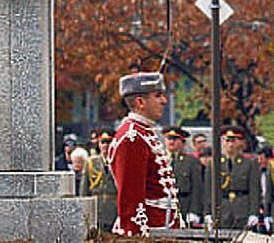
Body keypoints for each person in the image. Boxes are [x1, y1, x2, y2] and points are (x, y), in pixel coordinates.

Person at [107, 72, 181, 235]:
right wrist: (136, 236)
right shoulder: (132, 138)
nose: (164, 101)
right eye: (158, 95)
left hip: (163, 226)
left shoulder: (143, 132)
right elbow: (130, 199)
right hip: (149, 231)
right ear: (140, 102)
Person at [210, 125, 261, 230]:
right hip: (221, 208)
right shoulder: (214, 163)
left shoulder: (250, 163)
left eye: (234, 141)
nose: (230, 144)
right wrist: (207, 212)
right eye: (227, 140)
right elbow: (208, 190)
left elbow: (254, 190)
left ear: (241, 142)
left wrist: (254, 213)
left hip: (242, 209)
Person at [163, 126, 203, 227]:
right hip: (163, 205)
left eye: (175, 139)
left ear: (183, 142)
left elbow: (197, 188)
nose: (171, 142)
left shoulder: (191, 161)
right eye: (169, 138)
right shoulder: (159, 159)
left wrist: (194, 211)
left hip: (184, 206)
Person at [82, 128, 118, 232]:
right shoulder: (91, 162)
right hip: (96, 206)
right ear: (98, 144)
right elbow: (84, 189)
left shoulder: (119, 162)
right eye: (103, 142)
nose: (105, 145)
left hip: (114, 208)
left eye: (108, 142)